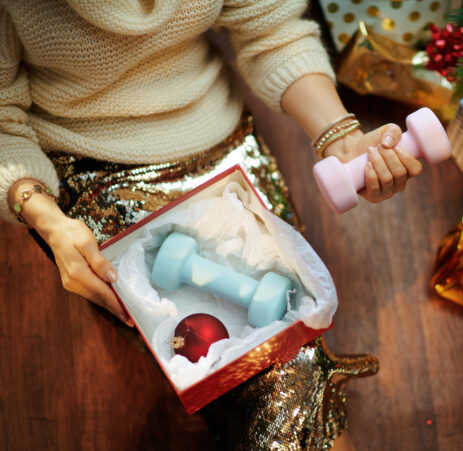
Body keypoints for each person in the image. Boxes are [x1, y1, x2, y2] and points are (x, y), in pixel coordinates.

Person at [0, 0, 423, 326]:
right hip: (90, 158)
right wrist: (46, 220)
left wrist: (341, 138)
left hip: (216, 131)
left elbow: (271, 29)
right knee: (204, 333)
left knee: (294, 302)